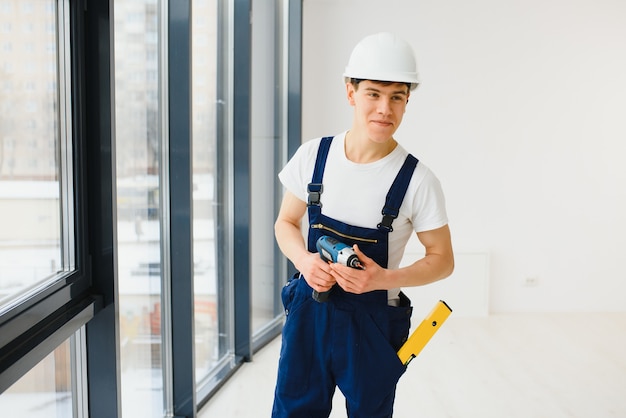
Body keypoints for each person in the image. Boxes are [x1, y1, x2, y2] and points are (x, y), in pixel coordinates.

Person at [272, 32, 454, 418]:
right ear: (350, 92)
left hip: (372, 329)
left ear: (407, 101)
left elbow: (443, 260)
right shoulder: (313, 156)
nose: (384, 109)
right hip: (310, 318)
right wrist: (306, 263)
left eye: (397, 97)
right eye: (373, 93)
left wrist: (380, 279)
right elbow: (286, 223)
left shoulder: (418, 180)